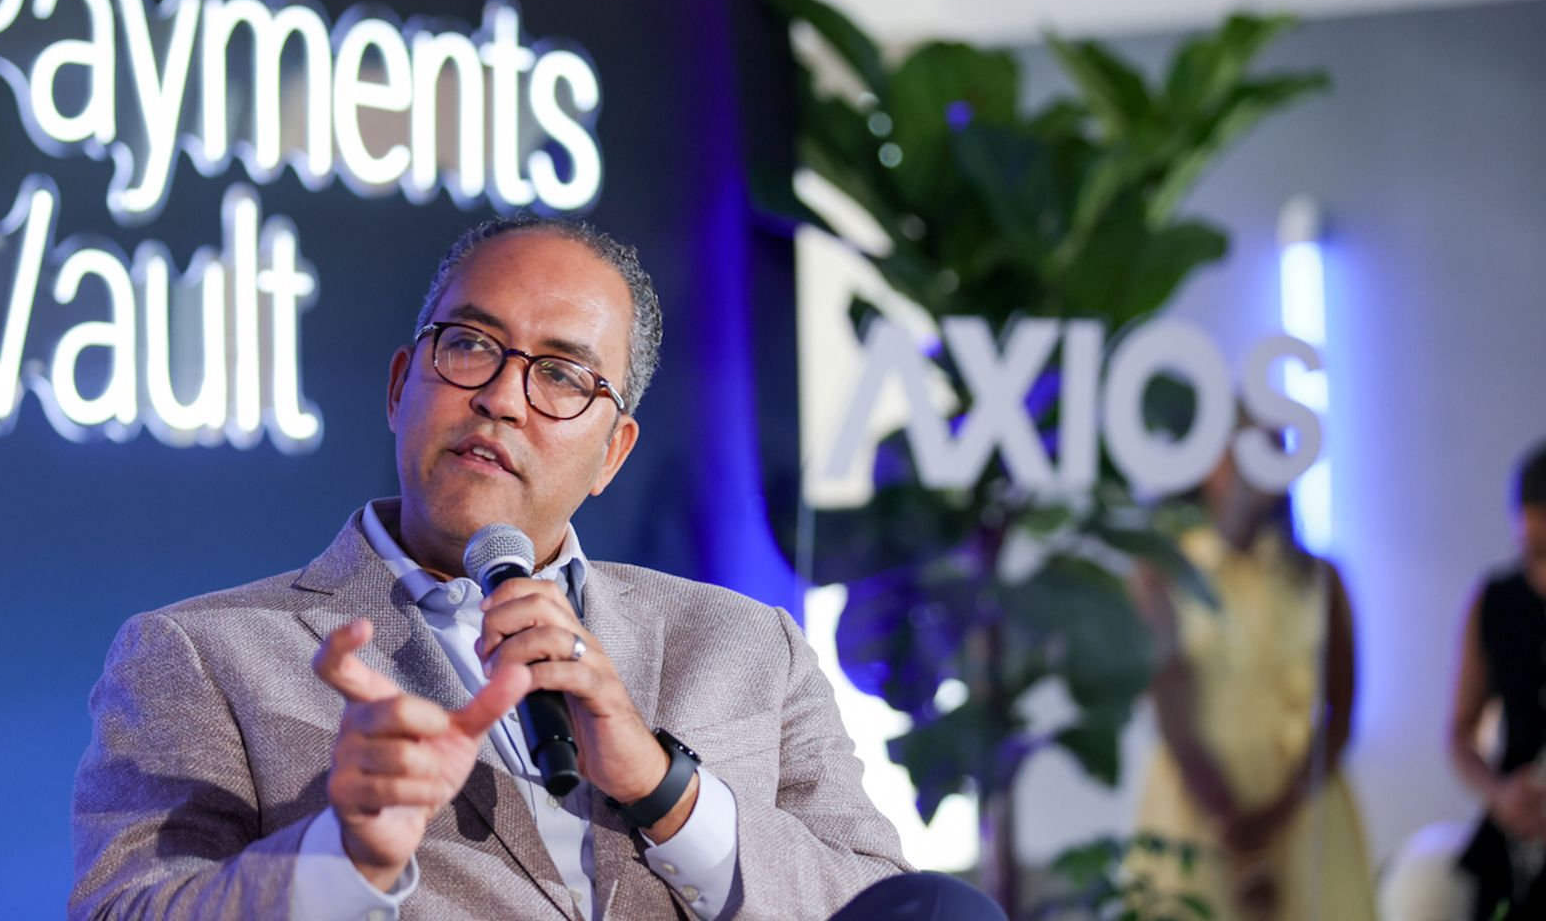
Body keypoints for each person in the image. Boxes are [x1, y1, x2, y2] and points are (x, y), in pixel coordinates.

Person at [70, 217, 1004, 920]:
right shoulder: (203, 654)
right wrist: (341, 857)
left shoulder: (750, 644)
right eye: (470, 346)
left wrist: (665, 788)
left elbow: (883, 906)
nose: (502, 399)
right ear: (400, 387)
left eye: (561, 374)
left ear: (613, 454)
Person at [1128, 451, 1375, 921]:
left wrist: (1279, 812)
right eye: (1238, 452)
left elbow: (1341, 709)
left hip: (1303, 805)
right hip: (1198, 802)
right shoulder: (1165, 575)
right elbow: (1167, 701)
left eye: (1270, 449)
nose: (1252, 468)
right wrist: (1231, 823)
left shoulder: (1319, 577)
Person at [1452, 441, 1546, 920]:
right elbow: (1459, 731)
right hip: (1517, 833)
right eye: (1533, 552)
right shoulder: (1496, 601)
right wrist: (1500, 794)